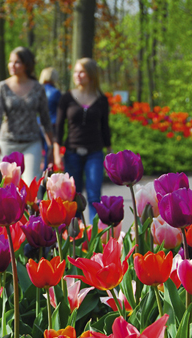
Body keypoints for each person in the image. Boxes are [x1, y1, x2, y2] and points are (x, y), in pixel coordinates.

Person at [53, 58, 112, 224]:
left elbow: (105, 128)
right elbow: (58, 127)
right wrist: (57, 153)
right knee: (73, 196)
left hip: (95, 153)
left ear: (91, 75)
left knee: (94, 195)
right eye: (76, 72)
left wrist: (110, 154)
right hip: (72, 152)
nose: (77, 75)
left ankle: (96, 233)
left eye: (82, 72)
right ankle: (75, 234)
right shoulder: (67, 98)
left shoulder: (101, 100)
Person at [0, 47, 52, 183]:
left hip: (31, 143)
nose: (12, 65)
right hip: (7, 143)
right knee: (8, 185)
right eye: (10, 61)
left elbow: (45, 119)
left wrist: (51, 146)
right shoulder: (2, 87)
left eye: (17, 62)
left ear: (26, 64)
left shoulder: (38, 88)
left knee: (30, 184)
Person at [39, 67, 61, 168]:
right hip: (51, 125)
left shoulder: (37, 90)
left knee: (38, 151)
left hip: (37, 124)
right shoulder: (56, 92)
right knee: (49, 150)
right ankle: (46, 173)